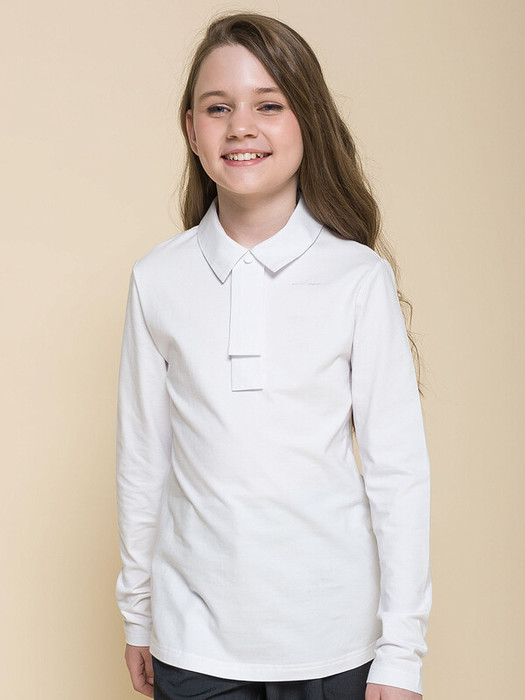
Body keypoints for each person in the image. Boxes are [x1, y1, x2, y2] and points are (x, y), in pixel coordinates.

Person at [115, 12, 432, 700]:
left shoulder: (357, 278)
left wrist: (400, 651)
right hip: (193, 641)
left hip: (334, 641)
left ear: (306, 121)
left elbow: (397, 472)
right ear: (191, 129)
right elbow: (143, 459)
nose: (240, 127)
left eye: (268, 105)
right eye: (217, 107)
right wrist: (138, 612)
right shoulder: (157, 279)